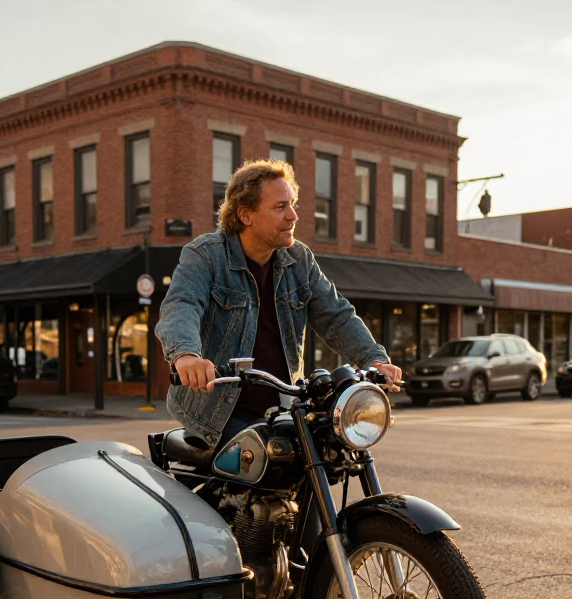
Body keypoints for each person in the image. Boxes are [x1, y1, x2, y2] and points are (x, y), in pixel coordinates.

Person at [156, 158, 401, 450]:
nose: (293, 215)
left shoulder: (299, 260)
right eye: (280, 207)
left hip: (285, 406)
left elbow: (337, 316)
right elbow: (182, 304)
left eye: (293, 204)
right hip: (217, 412)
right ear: (246, 215)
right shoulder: (206, 256)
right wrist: (185, 355)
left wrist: (373, 359)